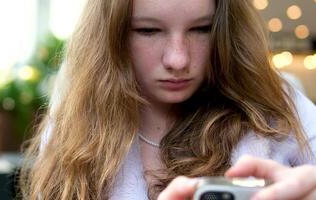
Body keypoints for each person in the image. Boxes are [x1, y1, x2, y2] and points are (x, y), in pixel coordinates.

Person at [19, 0, 316, 199]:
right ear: (112, 35)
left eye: (201, 29)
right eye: (149, 30)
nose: (178, 59)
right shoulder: (73, 125)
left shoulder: (276, 106)